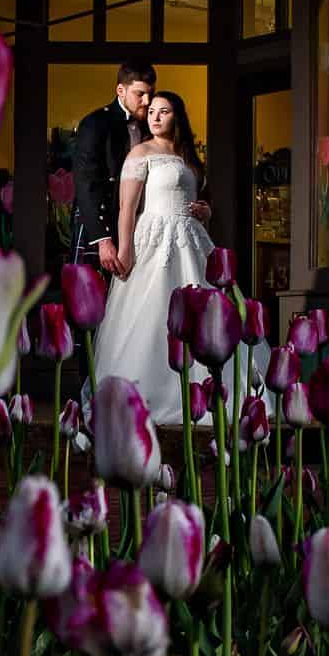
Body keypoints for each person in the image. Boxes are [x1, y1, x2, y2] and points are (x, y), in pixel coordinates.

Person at [93, 90, 255, 427]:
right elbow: (127, 207)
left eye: (163, 111)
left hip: (192, 239)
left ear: (176, 117)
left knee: (207, 313)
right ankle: (145, 394)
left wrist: (206, 213)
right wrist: (125, 250)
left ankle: (208, 391)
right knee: (152, 311)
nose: (154, 117)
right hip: (154, 238)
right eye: (151, 111)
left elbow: (195, 199)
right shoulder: (141, 152)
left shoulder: (187, 156)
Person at [72, 61, 156, 274]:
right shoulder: (95, 124)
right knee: (90, 292)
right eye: (140, 94)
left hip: (140, 224)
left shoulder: (151, 125)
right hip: (102, 224)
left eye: (150, 94)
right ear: (121, 90)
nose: (147, 101)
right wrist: (103, 239)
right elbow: (86, 183)